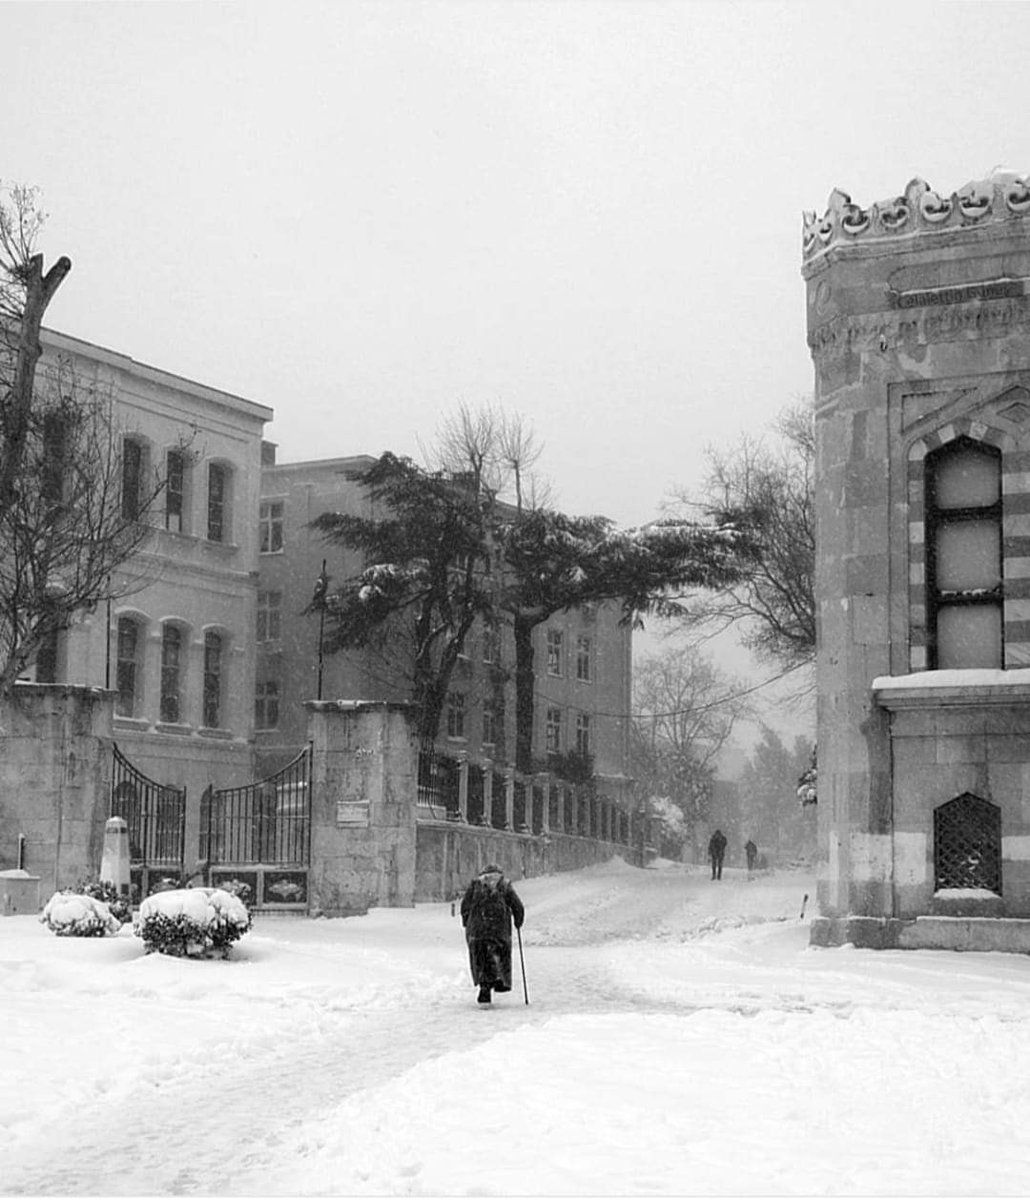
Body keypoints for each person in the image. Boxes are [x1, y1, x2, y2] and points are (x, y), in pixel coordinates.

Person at [460, 862, 525, 1005]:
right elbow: (517, 906)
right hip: (499, 930)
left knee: (481, 958)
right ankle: (498, 979)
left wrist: (466, 921)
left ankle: (485, 985)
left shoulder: (475, 885)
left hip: (478, 931)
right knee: (498, 955)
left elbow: (465, 905)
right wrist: (518, 921)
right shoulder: (504, 885)